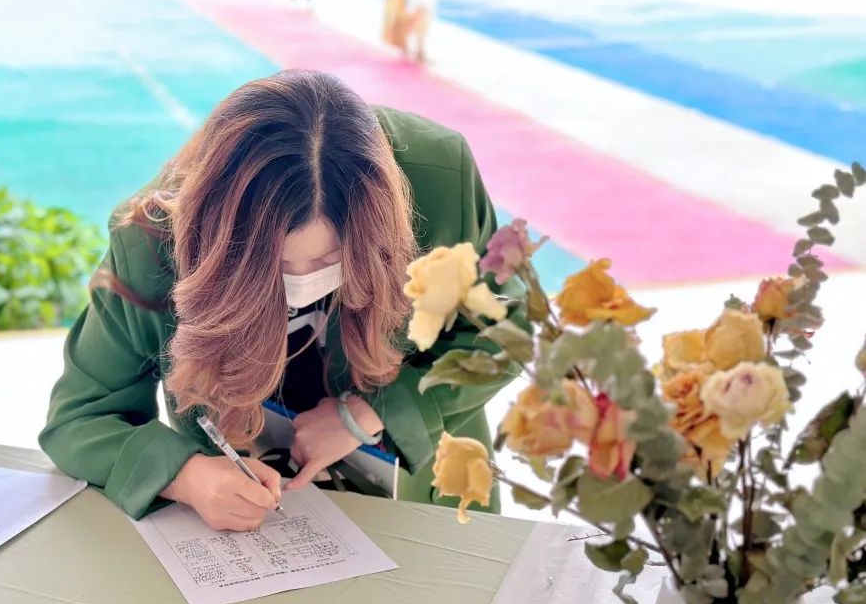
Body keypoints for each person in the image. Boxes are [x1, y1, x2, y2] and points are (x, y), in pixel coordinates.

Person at [40, 70, 520, 532]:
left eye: (329, 259)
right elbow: (81, 418)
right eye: (275, 265)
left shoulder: (441, 182)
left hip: (424, 503)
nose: (303, 282)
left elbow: (506, 330)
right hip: (242, 521)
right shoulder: (152, 239)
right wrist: (185, 476)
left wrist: (373, 413)